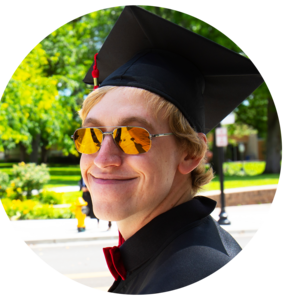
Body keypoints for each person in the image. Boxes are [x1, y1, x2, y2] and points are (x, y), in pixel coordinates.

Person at [72, 4, 264, 295]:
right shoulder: (162, 255)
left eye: (133, 137)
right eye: (91, 136)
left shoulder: (193, 274)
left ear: (191, 153)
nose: (103, 158)